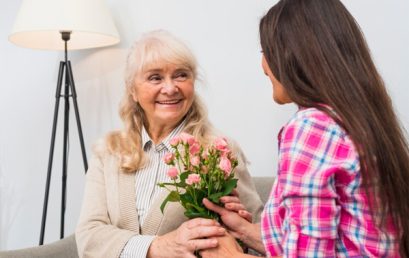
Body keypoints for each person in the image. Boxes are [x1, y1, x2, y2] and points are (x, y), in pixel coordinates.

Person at [201, 0, 409, 257]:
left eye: (265, 51)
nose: (264, 67)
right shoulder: (361, 119)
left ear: (292, 56)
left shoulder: (311, 128)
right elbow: (333, 242)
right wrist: (243, 230)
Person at [75, 30, 263, 258]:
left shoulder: (219, 150)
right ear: (132, 90)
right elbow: (89, 235)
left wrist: (236, 233)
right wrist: (156, 247)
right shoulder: (108, 150)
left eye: (181, 75)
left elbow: (255, 236)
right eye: (155, 77)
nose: (171, 88)